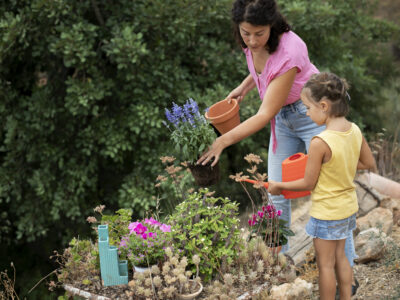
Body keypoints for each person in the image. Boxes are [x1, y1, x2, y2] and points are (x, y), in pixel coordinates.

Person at [197, 0, 360, 295]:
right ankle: (277, 264)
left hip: (313, 114)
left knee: (330, 192)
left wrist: (222, 140)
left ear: (272, 26)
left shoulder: (290, 49)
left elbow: (264, 113)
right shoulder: (250, 42)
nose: (252, 40)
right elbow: (262, 68)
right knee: (276, 190)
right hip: (284, 120)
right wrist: (244, 87)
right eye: (246, 33)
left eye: (259, 34)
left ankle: (345, 276)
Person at [268, 72, 376, 299]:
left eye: (307, 107)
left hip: (327, 213)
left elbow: (309, 183)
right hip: (347, 208)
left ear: (324, 106)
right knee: (342, 258)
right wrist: (341, 163)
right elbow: (368, 163)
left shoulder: (320, 142)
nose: (306, 113)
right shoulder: (354, 130)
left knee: (325, 266)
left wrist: (279, 186)